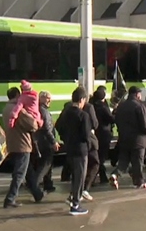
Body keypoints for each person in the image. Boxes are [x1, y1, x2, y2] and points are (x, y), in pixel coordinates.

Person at [2, 87, 44, 208]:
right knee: (20, 172)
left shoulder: (6, 108)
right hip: (22, 144)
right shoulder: (19, 110)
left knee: (28, 171)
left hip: (12, 143)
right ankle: (10, 198)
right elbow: (32, 125)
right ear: (17, 95)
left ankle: (37, 194)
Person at [57, 87, 92, 216]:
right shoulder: (83, 115)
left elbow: (58, 126)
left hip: (69, 147)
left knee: (74, 175)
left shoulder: (65, 112)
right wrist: (87, 144)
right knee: (80, 177)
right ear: (82, 100)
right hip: (80, 149)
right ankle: (75, 204)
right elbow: (86, 134)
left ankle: (73, 198)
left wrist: (65, 138)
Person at [110, 86, 146, 190]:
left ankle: (115, 175)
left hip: (124, 138)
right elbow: (145, 124)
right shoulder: (139, 106)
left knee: (124, 160)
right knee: (137, 162)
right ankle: (139, 182)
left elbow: (117, 120)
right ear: (137, 94)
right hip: (138, 139)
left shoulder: (121, 106)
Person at [35, 91, 59, 193]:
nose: (50, 100)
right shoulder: (43, 111)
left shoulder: (41, 110)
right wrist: (53, 142)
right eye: (48, 98)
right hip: (46, 142)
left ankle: (48, 184)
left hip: (42, 141)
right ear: (41, 98)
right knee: (46, 164)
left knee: (48, 164)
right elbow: (47, 129)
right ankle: (34, 185)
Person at [91, 86, 114, 184]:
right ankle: (97, 177)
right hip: (104, 134)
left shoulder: (91, 105)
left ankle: (101, 176)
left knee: (97, 156)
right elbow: (111, 119)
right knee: (101, 157)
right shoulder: (103, 107)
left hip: (95, 134)